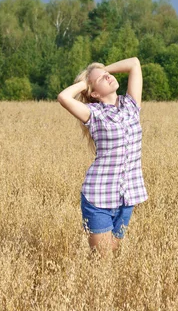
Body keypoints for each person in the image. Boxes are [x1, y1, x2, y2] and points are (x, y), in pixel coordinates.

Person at [57, 57, 148, 258]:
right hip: (98, 198)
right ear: (95, 93)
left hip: (127, 198)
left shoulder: (131, 105)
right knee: (102, 261)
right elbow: (63, 97)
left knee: (111, 253)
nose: (108, 77)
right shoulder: (93, 113)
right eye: (101, 80)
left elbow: (134, 63)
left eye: (108, 75)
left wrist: (100, 71)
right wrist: (87, 82)